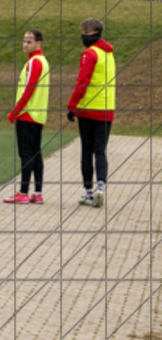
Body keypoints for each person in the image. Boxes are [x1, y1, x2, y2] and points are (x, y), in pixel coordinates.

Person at [67, 18, 115, 208]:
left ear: (90, 33)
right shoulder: (109, 54)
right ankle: (101, 186)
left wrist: (72, 106)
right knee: (100, 150)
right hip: (107, 109)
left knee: (87, 150)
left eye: (84, 33)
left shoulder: (90, 54)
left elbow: (82, 82)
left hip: (89, 109)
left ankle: (88, 192)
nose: (82, 37)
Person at [4, 29, 50, 204]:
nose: (25, 44)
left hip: (28, 114)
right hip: (38, 114)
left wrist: (15, 112)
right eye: (24, 41)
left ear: (39, 43)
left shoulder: (35, 62)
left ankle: (23, 192)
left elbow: (28, 89)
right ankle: (37, 193)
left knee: (26, 154)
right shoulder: (41, 61)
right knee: (36, 154)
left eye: (29, 41)